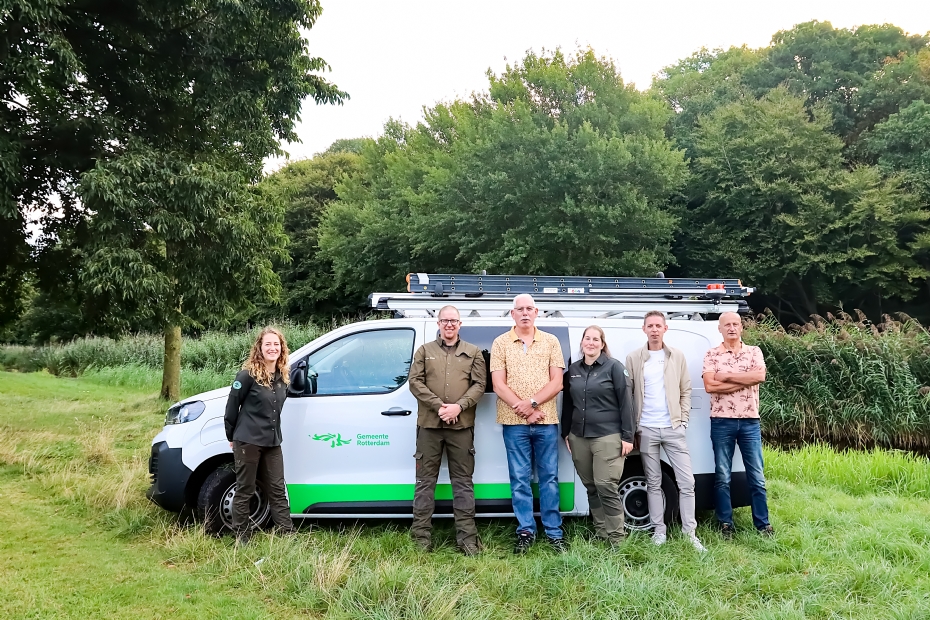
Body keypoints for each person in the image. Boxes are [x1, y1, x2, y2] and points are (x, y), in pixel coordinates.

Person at [490, 294, 567, 554]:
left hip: (546, 421)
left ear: (537, 312)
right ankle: (526, 530)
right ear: (512, 314)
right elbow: (498, 385)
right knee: (520, 479)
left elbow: (557, 382)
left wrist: (532, 403)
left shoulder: (551, 341)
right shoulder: (500, 342)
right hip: (514, 424)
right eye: (520, 309)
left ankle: (554, 532)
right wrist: (526, 412)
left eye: (529, 309)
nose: (525, 313)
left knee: (549, 478)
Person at [407, 305, 487, 555]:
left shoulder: (473, 352)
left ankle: (468, 540)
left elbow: (480, 385)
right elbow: (414, 382)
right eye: (445, 320)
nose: (449, 324)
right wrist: (439, 406)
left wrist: (458, 407)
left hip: (461, 427)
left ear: (460, 324)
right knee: (424, 483)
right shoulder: (425, 351)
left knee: (463, 483)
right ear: (438, 324)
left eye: (453, 321)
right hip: (429, 426)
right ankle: (420, 540)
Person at [626, 311, 705, 552]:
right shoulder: (634, 358)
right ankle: (659, 531)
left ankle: (690, 533)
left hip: (673, 428)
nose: (654, 330)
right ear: (644, 329)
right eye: (650, 326)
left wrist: (683, 422)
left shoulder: (676, 356)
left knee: (687, 482)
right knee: (653, 482)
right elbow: (628, 394)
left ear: (665, 328)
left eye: (658, 326)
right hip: (646, 429)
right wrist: (634, 428)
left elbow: (685, 390)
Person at [702, 311, 773, 538]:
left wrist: (725, 376)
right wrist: (744, 380)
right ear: (720, 329)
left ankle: (763, 524)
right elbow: (710, 386)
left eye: (735, 324)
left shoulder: (754, 351)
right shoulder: (712, 354)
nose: (732, 328)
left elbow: (759, 376)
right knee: (723, 475)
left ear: (741, 327)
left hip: (750, 420)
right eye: (727, 325)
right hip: (721, 421)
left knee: (757, 475)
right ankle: (726, 523)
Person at [561, 325, 634, 546]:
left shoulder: (614, 367)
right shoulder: (573, 370)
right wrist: (566, 433)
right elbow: (568, 404)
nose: (591, 343)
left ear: (602, 344)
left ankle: (617, 539)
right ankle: (602, 534)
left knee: (606, 486)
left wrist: (628, 436)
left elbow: (626, 403)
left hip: (607, 436)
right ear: (582, 342)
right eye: (587, 338)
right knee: (591, 486)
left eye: (595, 339)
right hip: (579, 437)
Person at [224, 327, 295, 544]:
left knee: (277, 488)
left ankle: (286, 533)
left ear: (282, 348)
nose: (273, 348)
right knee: (245, 489)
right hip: (248, 441)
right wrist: (231, 437)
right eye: (268, 344)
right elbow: (231, 407)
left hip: (272, 442)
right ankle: (242, 537)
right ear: (260, 348)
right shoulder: (247, 376)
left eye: (276, 344)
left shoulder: (283, 377)